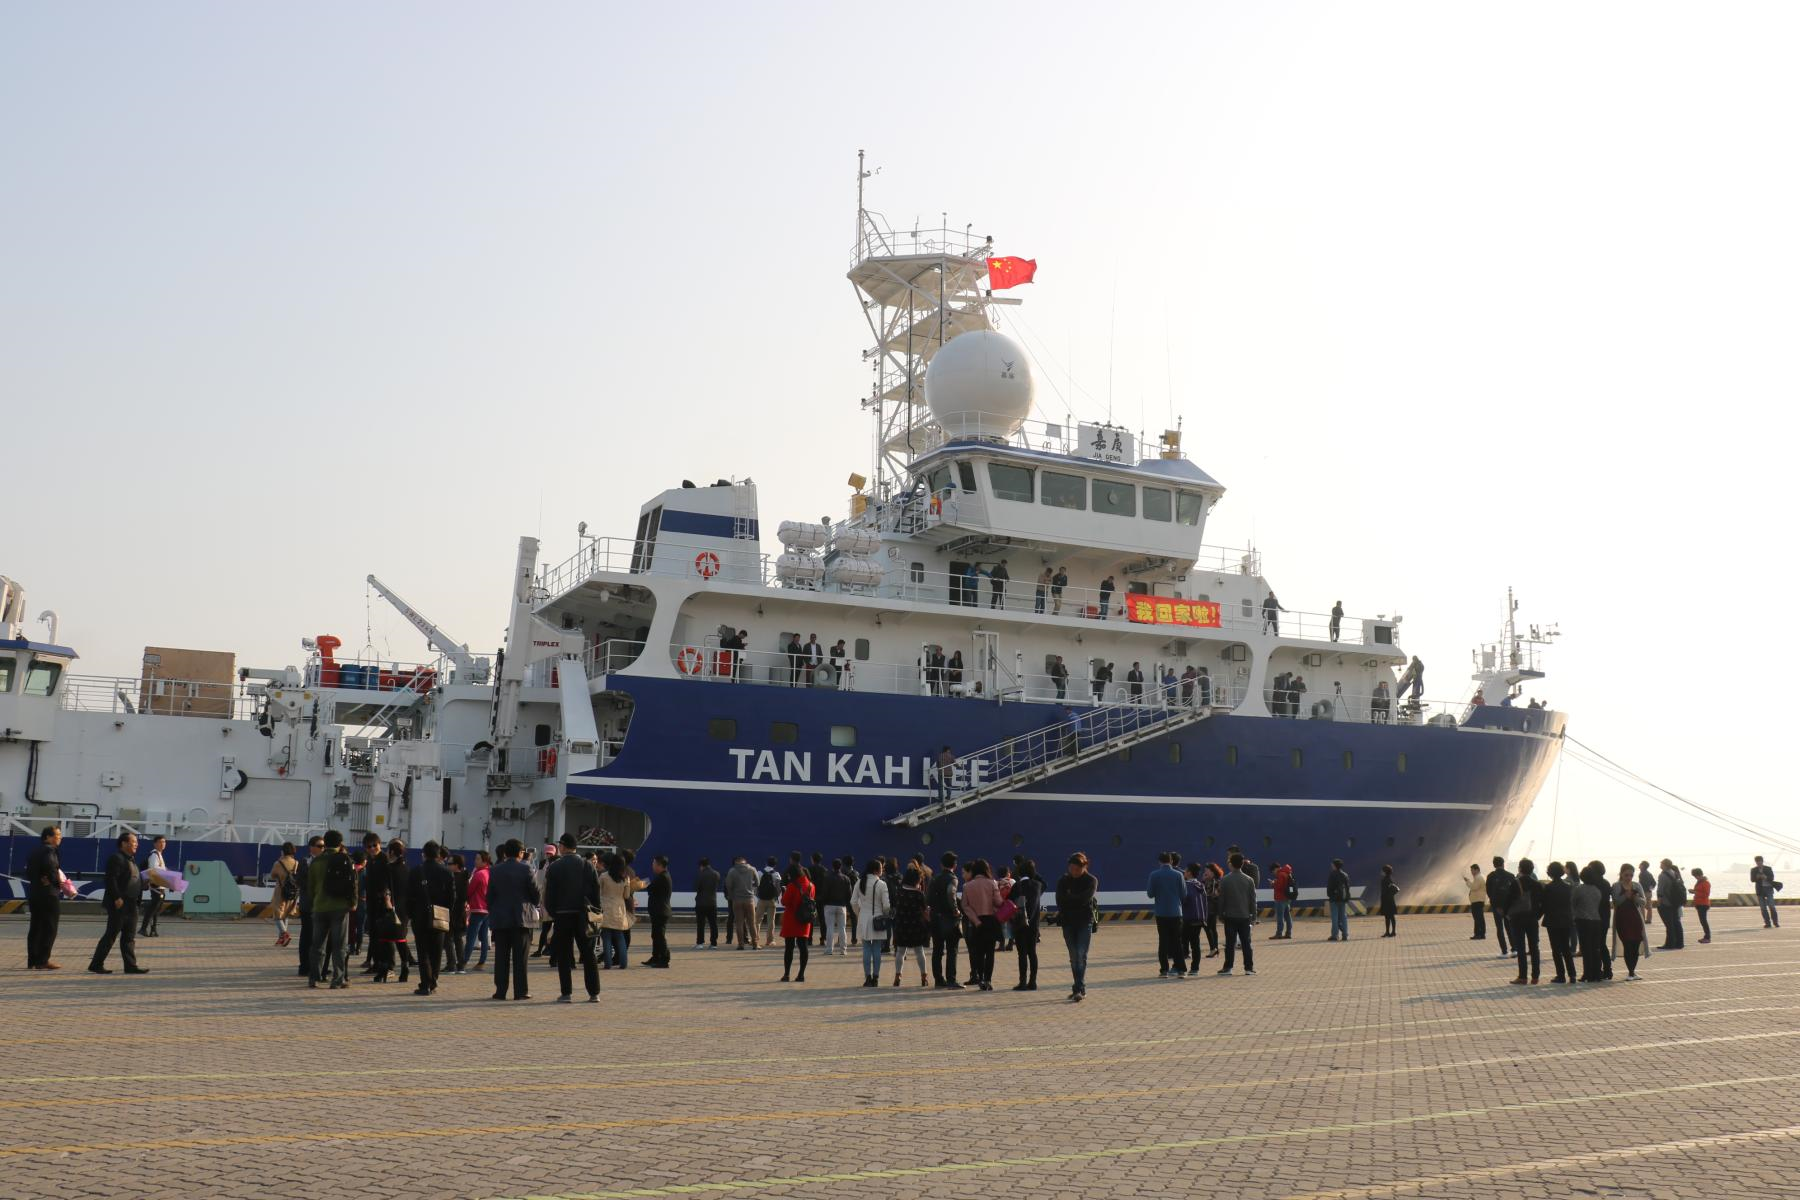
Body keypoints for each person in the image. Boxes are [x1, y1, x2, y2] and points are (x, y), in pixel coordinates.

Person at [543, 832, 601, 1002]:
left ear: (562, 846)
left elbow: (549, 896)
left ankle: (566, 993)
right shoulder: (587, 865)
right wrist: (595, 914)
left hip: (562, 915)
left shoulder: (555, 867)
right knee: (588, 954)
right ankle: (594, 993)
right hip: (583, 915)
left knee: (564, 954)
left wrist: (554, 913)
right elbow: (596, 893)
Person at [88, 831, 147, 975]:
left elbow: (134, 880)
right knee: (111, 935)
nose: (136, 845)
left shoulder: (131, 860)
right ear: (124, 843)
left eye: (136, 843)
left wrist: (146, 884)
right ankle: (96, 964)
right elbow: (111, 879)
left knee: (129, 937)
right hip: (120, 903)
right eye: (133, 842)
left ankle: (130, 966)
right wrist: (116, 897)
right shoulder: (116, 858)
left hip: (132, 904)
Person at [487, 839, 539, 1000]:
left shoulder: (495, 870)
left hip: (501, 919)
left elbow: (489, 896)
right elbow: (535, 894)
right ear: (520, 853)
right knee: (520, 958)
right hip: (521, 919)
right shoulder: (526, 869)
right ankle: (520, 991)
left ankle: (500, 991)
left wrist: (495, 910)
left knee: (501, 957)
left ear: (505, 853)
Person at [304, 830, 354, 988]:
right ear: (340, 843)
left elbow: (310, 888)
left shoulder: (316, 862)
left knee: (317, 944)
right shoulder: (345, 859)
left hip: (320, 907)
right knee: (339, 945)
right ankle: (338, 980)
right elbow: (353, 883)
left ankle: (314, 978)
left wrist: (316, 902)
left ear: (325, 843)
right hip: (340, 907)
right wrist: (352, 902)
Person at [409, 841, 455, 996]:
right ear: (439, 854)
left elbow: (409, 896)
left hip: (419, 915)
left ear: (423, 854)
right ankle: (433, 981)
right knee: (436, 951)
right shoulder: (447, 872)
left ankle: (425, 984)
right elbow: (452, 897)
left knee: (423, 952)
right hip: (440, 915)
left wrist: (411, 914)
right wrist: (447, 913)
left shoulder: (416, 871)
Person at [1055, 852, 1098, 1001]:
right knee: (1073, 957)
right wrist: (1073, 899)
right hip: (1067, 922)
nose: (1073, 871)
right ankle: (1077, 987)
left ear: (1084, 867)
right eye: (1071, 868)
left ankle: (1079, 988)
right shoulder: (1063, 880)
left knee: (1081, 955)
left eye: (1077, 869)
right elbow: (1060, 901)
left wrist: (1070, 897)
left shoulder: (1091, 880)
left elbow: (1085, 899)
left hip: (1084, 922)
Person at [25, 825, 64, 971]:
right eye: (57, 835)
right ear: (47, 837)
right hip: (48, 894)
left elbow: (28, 872)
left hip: (35, 892)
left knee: (35, 927)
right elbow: (52, 868)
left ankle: (32, 960)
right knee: (50, 928)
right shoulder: (50, 851)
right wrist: (57, 883)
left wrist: (39, 879)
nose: (59, 838)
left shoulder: (35, 851)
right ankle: (43, 960)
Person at [961, 859, 1000, 990]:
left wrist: (975, 920)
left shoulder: (967, 886)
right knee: (990, 952)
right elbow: (998, 902)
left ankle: (981, 978)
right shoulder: (992, 883)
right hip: (990, 920)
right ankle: (988, 980)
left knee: (978, 952)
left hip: (975, 923)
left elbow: (965, 906)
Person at [1146, 852, 1188, 978]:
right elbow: (1184, 894)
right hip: (1175, 912)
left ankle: (1164, 970)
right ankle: (1181, 969)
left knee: (1163, 941)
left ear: (1159, 861)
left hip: (1161, 913)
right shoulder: (1178, 875)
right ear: (1171, 861)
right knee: (1177, 941)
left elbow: (1150, 894)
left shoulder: (1154, 875)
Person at [850, 859, 890, 987]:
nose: (882, 870)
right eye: (881, 868)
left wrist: (859, 913)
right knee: (877, 949)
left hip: (864, 918)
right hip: (878, 919)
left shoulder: (859, 882)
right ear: (876, 870)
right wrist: (884, 914)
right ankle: (876, 977)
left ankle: (867, 977)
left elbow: (853, 902)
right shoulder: (881, 884)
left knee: (866, 948)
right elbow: (887, 905)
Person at [890, 866, 931, 987]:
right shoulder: (919, 894)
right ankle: (924, 976)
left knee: (900, 952)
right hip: (916, 926)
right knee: (919, 951)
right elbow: (925, 911)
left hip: (901, 925)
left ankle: (898, 975)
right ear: (916, 881)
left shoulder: (899, 892)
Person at [928, 851, 964, 988]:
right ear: (954, 865)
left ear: (941, 864)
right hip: (949, 918)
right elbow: (951, 893)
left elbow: (928, 898)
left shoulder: (934, 878)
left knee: (937, 950)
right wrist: (955, 909)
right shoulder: (953, 879)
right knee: (952, 950)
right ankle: (951, 979)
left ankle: (938, 979)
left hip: (935, 918)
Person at [1505, 857, 1543, 985]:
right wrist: (1537, 915)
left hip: (1517, 919)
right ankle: (1535, 977)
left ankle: (1522, 977)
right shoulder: (1538, 884)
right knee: (1534, 947)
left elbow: (1508, 900)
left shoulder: (1515, 883)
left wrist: (1506, 914)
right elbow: (1543, 904)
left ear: (1520, 869)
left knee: (1521, 948)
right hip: (1532, 919)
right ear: (1532, 869)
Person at [598, 855, 639, 969]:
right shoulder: (625, 878)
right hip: (619, 909)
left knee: (606, 937)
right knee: (620, 936)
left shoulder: (604, 876)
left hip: (605, 908)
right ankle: (623, 963)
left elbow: (599, 891)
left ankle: (608, 964)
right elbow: (626, 895)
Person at [1217, 854, 1256, 976]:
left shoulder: (1225, 880)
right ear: (1242, 864)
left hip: (1230, 916)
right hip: (1245, 916)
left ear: (1231, 864)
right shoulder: (1249, 880)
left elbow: (1221, 899)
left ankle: (1228, 967)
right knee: (1246, 943)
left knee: (1230, 943)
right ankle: (1248, 968)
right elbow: (1252, 900)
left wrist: (1220, 914)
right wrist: (1253, 916)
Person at [1008, 860, 1044, 990]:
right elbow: (1042, 882)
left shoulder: (1016, 886)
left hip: (1019, 924)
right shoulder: (1037, 885)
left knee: (1022, 953)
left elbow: (1010, 904)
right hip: (1033, 925)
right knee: (1032, 952)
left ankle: (1022, 982)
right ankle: (1033, 982)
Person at [1541, 862, 1577, 984]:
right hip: (1566, 920)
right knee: (1566, 948)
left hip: (1552, 921)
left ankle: (1560, 975)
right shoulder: (1568, 887)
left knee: (1556, 949)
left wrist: (1537, 915)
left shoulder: (1548, 888)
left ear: (1550, 873)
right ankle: (1572, 975)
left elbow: (1544, 905)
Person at [778, 866, 815, 982]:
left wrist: (784, 892)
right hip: (804, 920)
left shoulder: (792, 886)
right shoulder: (811, 885)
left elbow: (784, 901)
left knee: (789, 948)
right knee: (803, 947)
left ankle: (786, 974)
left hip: (791, 920)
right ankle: (801, 974)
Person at [1573, 862, 1609, 982]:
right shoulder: (1596, 890)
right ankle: (1597, 973)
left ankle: (1587, 973)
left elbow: (1573, 904)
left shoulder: (1579, 889)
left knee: (1585, 948)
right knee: (1595, 948)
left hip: (1583, 921)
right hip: (1596, 920)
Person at [1613, 864, 1649, 980]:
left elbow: (1643, 902)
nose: (1628, 877)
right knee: (1627, 944)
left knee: (1636, 944)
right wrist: (1625, 895)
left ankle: (1633, 971)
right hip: (1622, 919)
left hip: (1636, 919)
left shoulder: (1637, 885)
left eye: (1631, 875)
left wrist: (1635, 898)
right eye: (1626, 875)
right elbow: (1616, 902)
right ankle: (1630, 971)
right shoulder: (1616, 886)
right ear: (1621, 874)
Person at [463, 850, 492, 971]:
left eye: (478, 859)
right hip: (487, 908)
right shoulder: (489, 873)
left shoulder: (479, 874)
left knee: (471, 936)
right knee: (484, 936)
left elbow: (469, 890)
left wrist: (467, 901)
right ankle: (482, 961)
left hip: (477, 908)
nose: (475, 861)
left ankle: (463, 961)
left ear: (484, 861)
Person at [1179, 863, 1209, 976]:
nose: (1184, 873)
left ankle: (1180, 967)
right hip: (1199, 918)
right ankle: (1195, 968)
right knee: (1195, 944)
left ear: (1190, 873)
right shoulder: (1200, 885)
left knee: (1182, 942)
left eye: (1186, 871)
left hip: (1188, 918)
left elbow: (1184, 901)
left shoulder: (1186, 885)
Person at [643, 855, 673, 967]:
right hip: (658, 910)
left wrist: (644, 883)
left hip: (660, 911)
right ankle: (655, 956)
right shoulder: (662, 876)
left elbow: (651, 889)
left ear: (660, 865)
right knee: (655, 935)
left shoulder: (662, 877)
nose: (652, 866)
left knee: (659, 935)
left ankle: (664, 959)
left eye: (654, 864)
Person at [724, 855, 760, 949]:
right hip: (749, 900)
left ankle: (741, 944)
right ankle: (755, 944)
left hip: (737, 900)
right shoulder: (752, 869)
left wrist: (732, 896)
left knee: (739, 923)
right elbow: (758, 883)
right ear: (745, 861)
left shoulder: (732, 871)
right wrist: (752, 890)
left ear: (736, 862)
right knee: (752, 922)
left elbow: (728, 885)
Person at [269, 842, 300, 948]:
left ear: (283, 851)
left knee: (277, 914)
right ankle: (281, 939)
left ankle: (284, 934)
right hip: (293, 892)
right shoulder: (296, 863)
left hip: (280, 891)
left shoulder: (278, 863)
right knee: (285, 914)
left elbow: (273, 875)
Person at [819, 857, 851, 955]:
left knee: (830, 927)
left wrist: (823, 902)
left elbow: (824, 892)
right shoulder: (846, 878)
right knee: (842, 928)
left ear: (832, 866)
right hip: (842, 906)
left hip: (829, 905)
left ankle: (829, 949)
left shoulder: (827, 877)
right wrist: (847, 904)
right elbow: (849, 894)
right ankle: (843, 950)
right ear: (840, 866)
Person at [139, 834, 168, 936]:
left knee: (156, 908)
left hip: (161, 885)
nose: (162, 844)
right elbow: (153, 870)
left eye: (164, 842)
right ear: (155, 844)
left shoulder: (159, 855)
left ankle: (153, 929)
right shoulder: (154, 855)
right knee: (153, 908)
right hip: (156, 886)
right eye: (160, 842)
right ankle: (143, 928)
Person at [1485, 857, 1514, 958]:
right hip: (1508, 906)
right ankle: (1514, 949)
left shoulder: (1491, 876)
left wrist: (1494, 904)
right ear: (1503, 864)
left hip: (1496, 907)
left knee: (1499, 928)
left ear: (1494, 865)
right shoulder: (1510, 875)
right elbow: (1514, 892)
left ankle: (1504, 951)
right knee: (1509, 927)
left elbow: (1488, 891)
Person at [1657, 859, 1687, 950]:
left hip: (1667, 902)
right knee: (1676, 922)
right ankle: (1680, 943)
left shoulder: (1663, 875)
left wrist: (1659, 901)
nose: (1660, 865)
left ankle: (1670, 943)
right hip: (1676, 901)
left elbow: (1661, 889)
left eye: (1661, 863)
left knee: (1669, 924)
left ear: (1665, 865)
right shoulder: (1675, 873)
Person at [754, 857, 782, 947]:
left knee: (757, 920)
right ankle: (770, 940)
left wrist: (757, 895)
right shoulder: (776, 874)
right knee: (771, 921)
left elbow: (755, 885)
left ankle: (755, 939)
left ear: (766, 863)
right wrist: (776, 897)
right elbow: (778, 888)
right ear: (775, 864)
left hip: (761, 900)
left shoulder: (760, 872)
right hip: (771, 900)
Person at [692, 856, 720, 948]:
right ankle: (713, 943)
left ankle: (700, 943)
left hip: (701, 902)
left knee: (701, 923)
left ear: (701, 866)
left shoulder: (700, 875)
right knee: (713, 924)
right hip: (712, 902)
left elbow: (696, 887)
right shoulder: (716, 874)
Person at [1325, 858, 1352, 942]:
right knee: (1343, 917)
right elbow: (1347, 887)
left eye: (1332, 864)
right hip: (1343, 899)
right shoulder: (1345, 875)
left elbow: (1329, 887)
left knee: (1335, 917)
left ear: (1335, 865)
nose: (1331, 866)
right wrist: (1346, 897)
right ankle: (1345, 935)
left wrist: (1330, 895)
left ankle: (1335, 935)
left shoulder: (1332, 874)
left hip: (1334, 899)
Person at [1751, 856, 1781, 928]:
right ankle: (1767, 923)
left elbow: (1772, 878)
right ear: (1756, 862)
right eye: (1757, 862)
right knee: (1763, 908)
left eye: (1760, 861)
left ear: (1762, 861)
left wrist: (1766, 877)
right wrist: (1757, 877)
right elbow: (1752, 880)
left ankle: (1775, 922)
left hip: (1769, 889)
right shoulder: (1753, 870)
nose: (1759, 863)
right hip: (1760, 890)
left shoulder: (1768, 868)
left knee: (1771, 906)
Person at [1271, 861, 1295, 939]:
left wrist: (1273, 883)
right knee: (1287, 916)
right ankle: (1288, 933)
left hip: (1280, 898)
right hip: (1287, 898)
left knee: (1280, 917)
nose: (1273, 873)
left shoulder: (1281, 874)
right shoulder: (1287, 873)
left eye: (1273, 871)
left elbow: (1279, 887)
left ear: (1276, 868)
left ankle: (1279, 933)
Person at [1466, 864, 1487, 941]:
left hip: (1477, 901)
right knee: (1479, 918)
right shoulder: (1481, 876)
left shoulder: (1478, 877)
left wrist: (1468, 881)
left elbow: (1474, 887)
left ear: (1477, 869)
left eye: (1472, 870)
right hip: (1479, 900)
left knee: (1478, 918)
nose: (1471, 872)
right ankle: (1481, 934)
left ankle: (1479, 934)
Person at [1691, 868, 1712, 943]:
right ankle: (1706, 936)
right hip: (1699, 903)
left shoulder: (1705, 883)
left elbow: (1706, 894)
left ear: (1699, 875)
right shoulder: (1699, 882)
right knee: (1702, 921)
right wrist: (1694, 892)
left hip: (1703, 904)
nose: (1695, 877)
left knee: (1703, 921)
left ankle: (1707, 937)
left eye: (1695, 876)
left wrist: (1695, 892)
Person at [1378, 865, 1400, 937]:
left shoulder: (1385, 880)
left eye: (1382, 871)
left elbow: (1385, 890)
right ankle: (1391, 932)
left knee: (1388, 917)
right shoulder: (1389, 879)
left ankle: (1390, 932)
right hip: (1390, 899)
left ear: (1384, 872)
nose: (1381, 872)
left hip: (1386, 900)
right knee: (1390, 916)